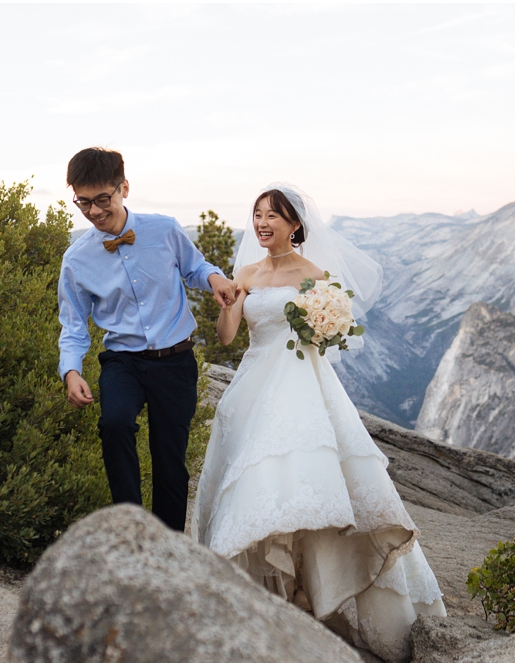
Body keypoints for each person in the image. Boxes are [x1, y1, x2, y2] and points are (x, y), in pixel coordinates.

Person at [191, 184, 446, 661]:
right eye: (258, 214)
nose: (263, 223)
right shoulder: (244, 272)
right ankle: (261, 598)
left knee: (304, 479)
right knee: (256, 481)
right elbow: (228, 339)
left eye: (274, 215)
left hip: (301, 384)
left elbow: (332, 336)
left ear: (295, 225)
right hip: (253, 383)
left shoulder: (315, 274)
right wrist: (228, 305)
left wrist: (323, 325)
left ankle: (312, 591)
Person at [57, 147, 237, 532]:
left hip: (175, 360)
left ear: (123, 187)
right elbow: (72, 325)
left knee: (170, 460)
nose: (93, 212)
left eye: (102, 200)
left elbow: (196, 267)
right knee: (116, 424)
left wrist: (215, 279)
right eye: (83, 202)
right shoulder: (76, 260)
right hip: (123, 361)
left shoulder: (164, 229)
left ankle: (168, 547)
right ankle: (130, 529)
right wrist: (71, 371)